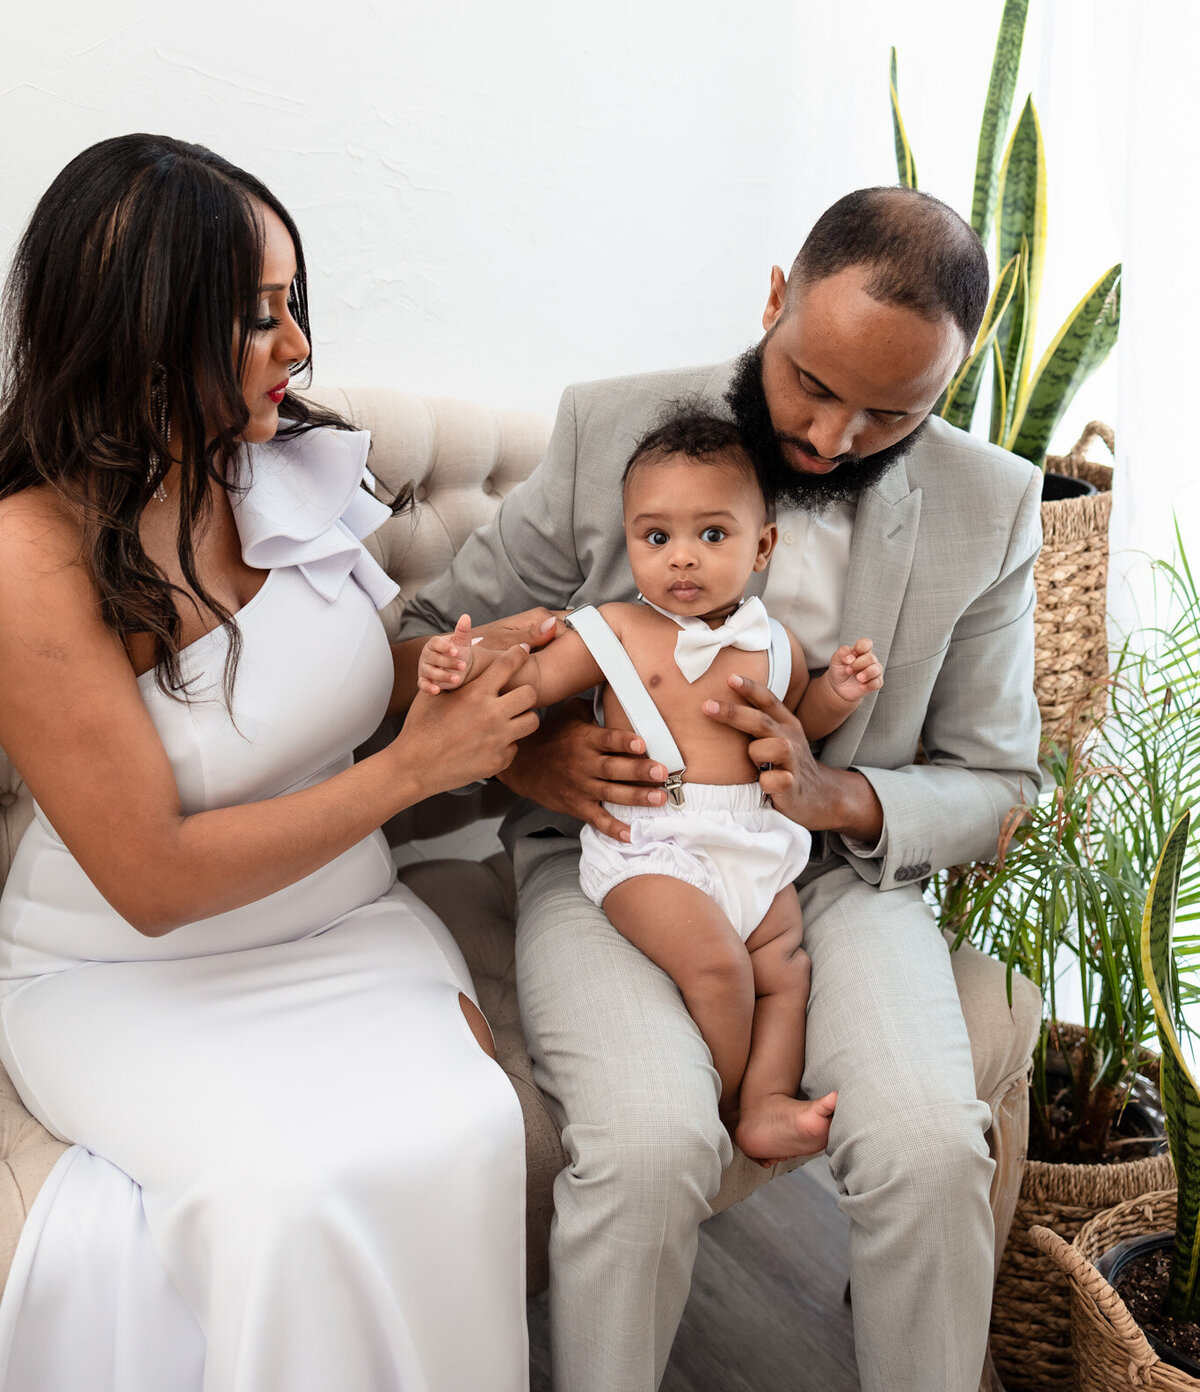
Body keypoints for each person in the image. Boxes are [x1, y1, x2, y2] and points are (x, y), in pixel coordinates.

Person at [398, 187, 1044, 1392]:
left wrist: (836, 795)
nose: (834, 437)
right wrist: (536, 755)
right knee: (645, 1148)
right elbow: (434, 633)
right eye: (812, 382)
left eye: (891, 411)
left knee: (928, 1147)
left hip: (832, 881)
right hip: (618, 860)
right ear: (772, 301)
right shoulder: (608, 428)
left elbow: (1002, 780)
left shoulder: (992, 504)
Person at [0, 135, 538, 1392]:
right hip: (129, 973)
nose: (297, 347)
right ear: (143, 330)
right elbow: (152, 879)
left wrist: (460, 673)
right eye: (257, 318)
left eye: (296, 307)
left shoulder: (278, 458)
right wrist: (419, 771)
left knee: (463, 1125)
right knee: (285, 1194)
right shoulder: (33, 553)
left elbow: (331, 686)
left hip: (351, 928)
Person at [419, 406, 883, 1164]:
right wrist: (463, 665)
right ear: (630, 537)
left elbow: (798, 724)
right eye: (656, 537)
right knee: (720, 967)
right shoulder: (615, 630)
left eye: (712, 534)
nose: (683, 560)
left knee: (784, 974)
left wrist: (840, 693)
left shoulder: (775, 644)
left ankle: (767, 1099)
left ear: (762, 545)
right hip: (652, 845)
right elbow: (530, 679)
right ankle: (726, 1106)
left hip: (752, 842)